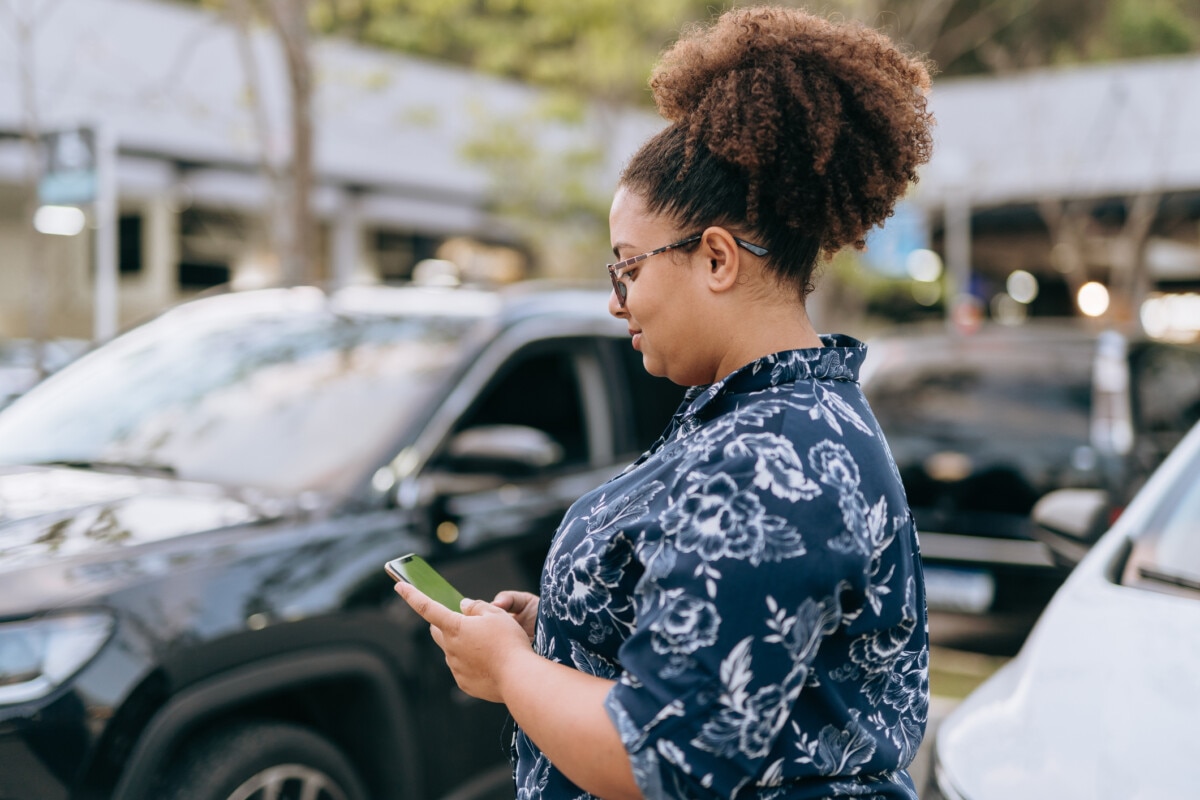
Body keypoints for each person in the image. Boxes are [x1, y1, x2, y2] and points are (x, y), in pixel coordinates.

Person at [396, 6, 935, 799]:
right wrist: (566, 631)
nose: (617, 302)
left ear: (716, 257)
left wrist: (512, 671)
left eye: (628, 268)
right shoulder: (774, 418)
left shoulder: (770, 457)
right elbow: (748, 655)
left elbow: (665, 759)